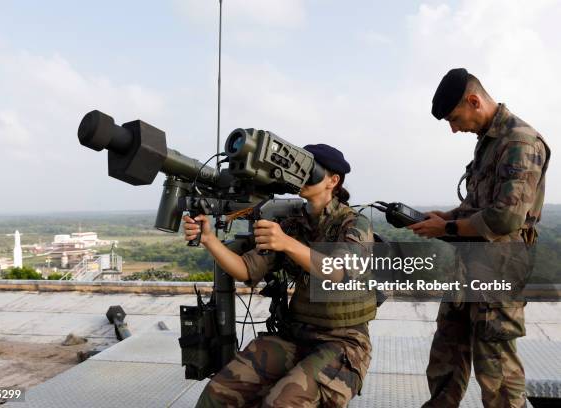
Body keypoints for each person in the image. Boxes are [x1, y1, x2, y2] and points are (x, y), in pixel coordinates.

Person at [183, 144, 377, 407]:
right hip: (296, 336)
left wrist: (286, 243)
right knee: (218, 392)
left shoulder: (354, 224)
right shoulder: (291, 224)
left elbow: (339, 271)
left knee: (283, 402)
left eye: (313, 170)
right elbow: (247, 269)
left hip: (343, 343)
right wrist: (209, 240)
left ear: (333, 180)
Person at [408, 68, 550, 407]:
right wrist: (448, 217)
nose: (455, 129)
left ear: (474, 101)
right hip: (468, 267)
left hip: (499, 272)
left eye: (455, 119)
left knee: (495, 368)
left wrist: (446, 229)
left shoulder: (519, 142)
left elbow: (506, 216)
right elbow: (478, 207)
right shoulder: (488, 142)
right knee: (447, 355)